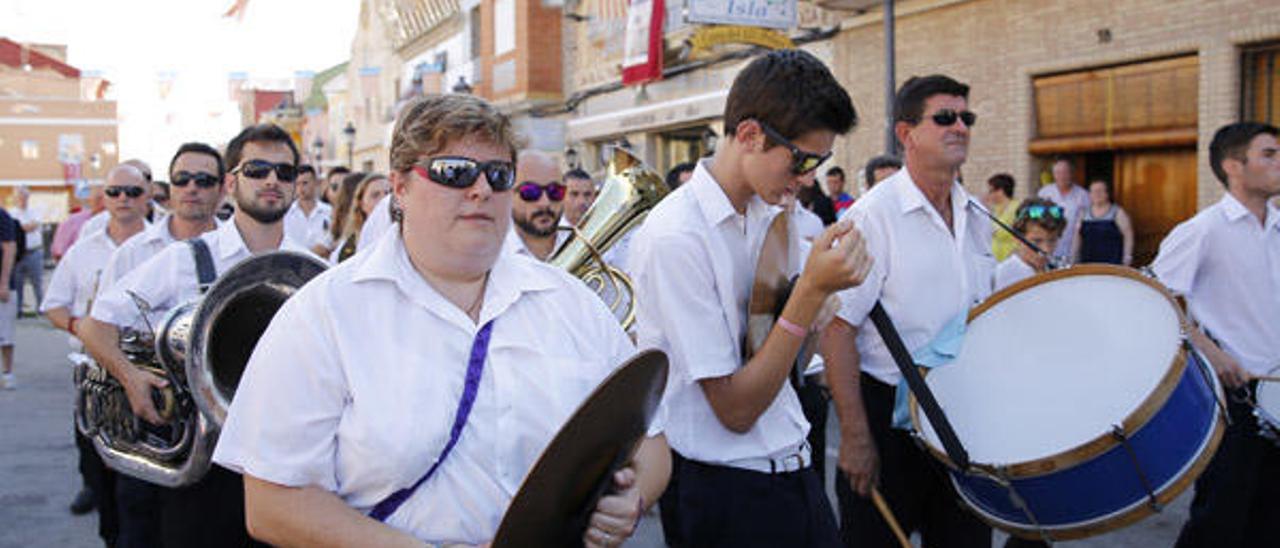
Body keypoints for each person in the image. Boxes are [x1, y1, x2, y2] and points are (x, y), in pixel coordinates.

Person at [213, 93, 670, 547]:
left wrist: (629, 500)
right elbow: (272, 504)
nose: (481, 190)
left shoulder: (572, 302)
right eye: (454, 172)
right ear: (400, 186)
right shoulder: (323, 313)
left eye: (498, 175)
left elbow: (651, 441)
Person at [631, 49, 867, 547]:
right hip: (724, 491)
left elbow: (787, 363)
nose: (807, 179)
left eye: (819, 163)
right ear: (749, 135)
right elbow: (735, 411)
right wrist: (809, 295)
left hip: (794, 465)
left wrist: (818, 310)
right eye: (801, 160)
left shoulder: (775, 212)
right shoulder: (677, 236)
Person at [81, 123, 311, 548]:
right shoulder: (185, 258)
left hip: (289, 459)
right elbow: (95, 325)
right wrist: (132, 378)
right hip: (207, 467)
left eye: (285, 171)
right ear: (231, 182)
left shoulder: (314, 267)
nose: (272, 181)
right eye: (257, 169)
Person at [821, 74, 993, 548]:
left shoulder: (977, 215)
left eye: (966, 117)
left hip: (962, 417)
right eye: (944, 117)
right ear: (906, 134)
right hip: (887, 421)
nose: (959, 126)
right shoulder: (871, 217)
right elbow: (836, 330)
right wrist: (856, 437)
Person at [1152, 122, 1280, 548]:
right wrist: (1214, 354)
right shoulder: (1204, 230)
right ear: (1233, 167)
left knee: (1269, 521)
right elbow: (1157, 303)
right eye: (1269, 154)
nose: (1279, 162)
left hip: (1278, 395)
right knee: (1221, 521)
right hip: (1235, 401)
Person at [40, 163, 151, 544]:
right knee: (100, 474)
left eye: (133, 192)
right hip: (97, 378)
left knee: (144, 487)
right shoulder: (82, 251)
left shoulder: (169, 248)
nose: (124, 199)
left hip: (150, 376)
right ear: (104, 197)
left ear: (148, 196)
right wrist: (88, 333)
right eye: (116, 191)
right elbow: (54, 307)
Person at [99, 143, 226, 291]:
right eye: (181, 179)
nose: (191, 188)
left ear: (222, 189)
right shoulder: (130, 254)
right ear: (171, 185)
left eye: (204, 180)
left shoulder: (239, 252)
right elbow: (104, 313)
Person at [505, 150, 566, 261]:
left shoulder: (587, 246)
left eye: (555, 191)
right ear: (509, 195)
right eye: (530, 192)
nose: (545, 203)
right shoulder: (492, 255)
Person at [993, 198, 1065, 290]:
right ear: (1017, 238)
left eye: (1052, 240)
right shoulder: (1006, 273)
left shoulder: (1055, 268)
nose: (1046, 249)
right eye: (1037, 241)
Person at [330, 173, 390, 264]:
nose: (384, 199)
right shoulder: (349, 246)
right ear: (361, 204)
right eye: (375, 195)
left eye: (388, 193)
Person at [1073, 179, 1134, 265]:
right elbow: (1077, 237)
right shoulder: (1083, 213)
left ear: (1107, 193)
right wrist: (1074, 258)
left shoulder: (1118, 212)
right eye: (1093, 191)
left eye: (1100, 191)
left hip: (1112, 262)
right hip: (1087, 261)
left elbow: (1128, 235)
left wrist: (1127, 257)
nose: (1097, 194)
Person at [1037, 156, 1089, 258]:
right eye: (1058, 173)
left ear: (1071, 174)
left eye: (1065, 172)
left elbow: (1087, 224)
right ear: (1054, 175)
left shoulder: (1083, 195)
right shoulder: (1044, 193)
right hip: (1048, 249)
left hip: (1074, 250)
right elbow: (1037, 218)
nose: (1062, 176)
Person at [11, 185, 45, 315]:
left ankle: (41, 309)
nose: (22, 199)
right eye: (20, 196)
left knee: (37, 283)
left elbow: (33, 225)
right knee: (17, 283)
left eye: (24, 196)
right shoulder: (12, 213)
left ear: (28, 197)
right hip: (19, 254)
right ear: (15, 198)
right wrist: (25, 227)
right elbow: (21, 229)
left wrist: (22, 227)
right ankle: (18, 310)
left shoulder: (35, 211)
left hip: (34, 252)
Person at [283, 164, 332, 250]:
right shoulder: (286, 213)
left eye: (305, 183)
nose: (301, 188)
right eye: (297, 184)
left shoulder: (329, 212)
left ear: (316, 183)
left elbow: (331, 242)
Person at [52, 184, 105, 260]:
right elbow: (59, 253)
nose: (103, 203)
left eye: (106, 199)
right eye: (99, 199)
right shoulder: (72, 221)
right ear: (89, 200)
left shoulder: (118, 222)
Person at [985, 173, 1022, 261]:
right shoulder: (996, 210)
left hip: (1011, 260)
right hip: (995, 261)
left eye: (991, 191)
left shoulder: (1016, 208)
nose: (988, 195)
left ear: (1000, 191)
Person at [0, 205, 16, 390]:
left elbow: (9, 247)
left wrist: (3, 282)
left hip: (3, 285)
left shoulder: (2, 215)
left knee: (5, 334)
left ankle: (8, 372)